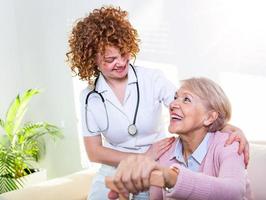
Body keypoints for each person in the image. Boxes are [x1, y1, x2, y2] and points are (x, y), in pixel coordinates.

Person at [66, 6, 249, 200]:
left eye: (124, 54)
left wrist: (232, 129)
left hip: (155, 165)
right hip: (117, 169)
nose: (120, 62)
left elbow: (189, 109)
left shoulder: (152, 79)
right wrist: (143, 157)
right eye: (110, 59)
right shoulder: (90, 97)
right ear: (92, 59)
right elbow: (94, 152)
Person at [109, 77, 252, 200]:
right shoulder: (165, 152)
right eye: (176, 97)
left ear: (209, 117)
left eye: (186, 99)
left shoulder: (229, 143)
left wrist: (172, 178)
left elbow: (234, 192)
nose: (173, 104)